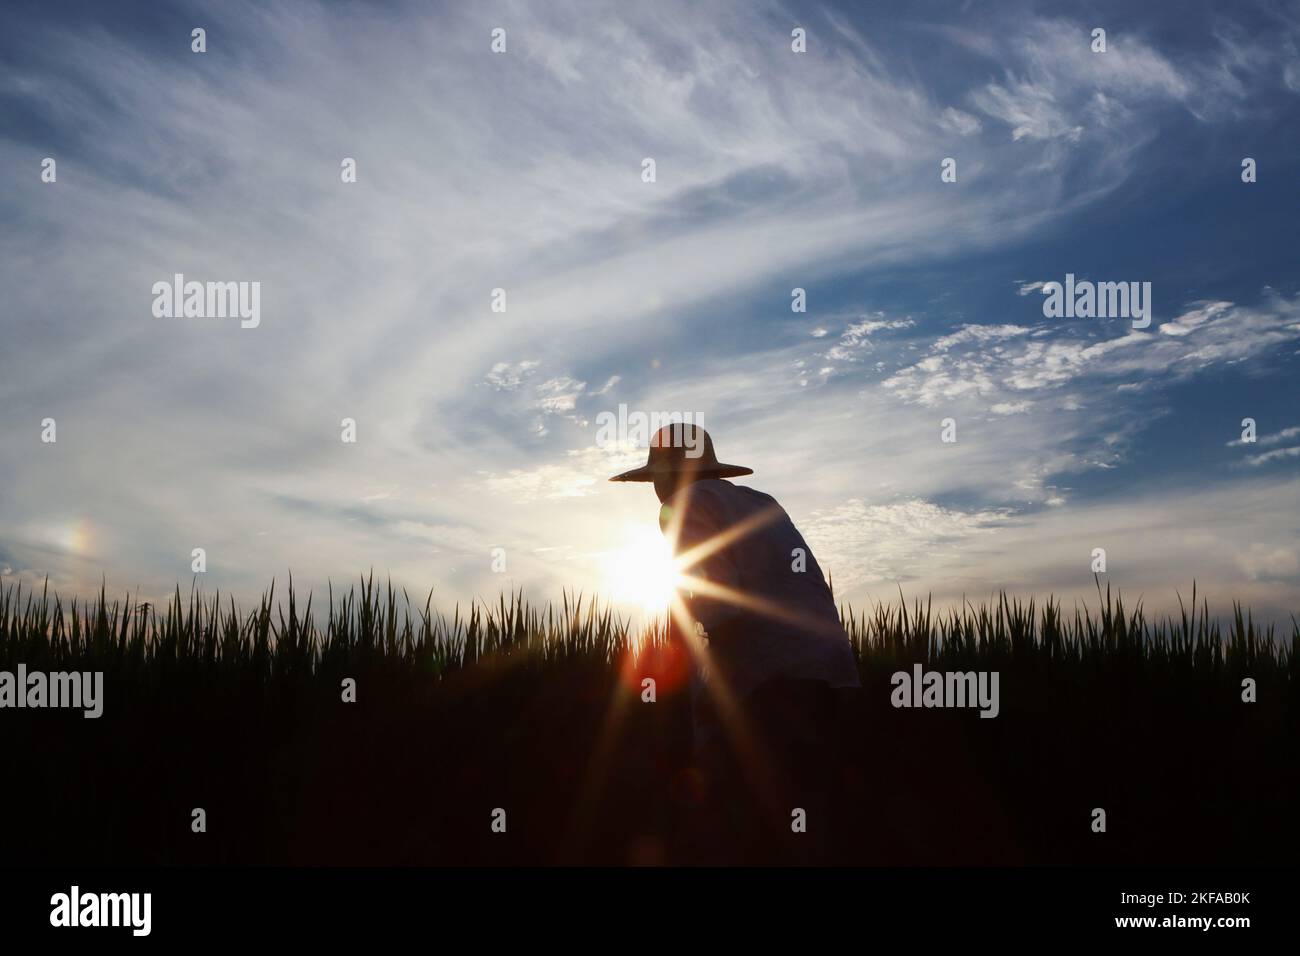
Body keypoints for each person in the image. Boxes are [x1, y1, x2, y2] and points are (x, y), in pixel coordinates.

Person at [610, 422, 861, 863]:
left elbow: (720, 607)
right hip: (833, 676)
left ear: (668, 479)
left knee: (743, 826)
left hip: (772, 686)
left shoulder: (682, 507)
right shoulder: (761, 504)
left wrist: (711, 702)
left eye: (656, 480)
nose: (657, 491)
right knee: (811, 821)